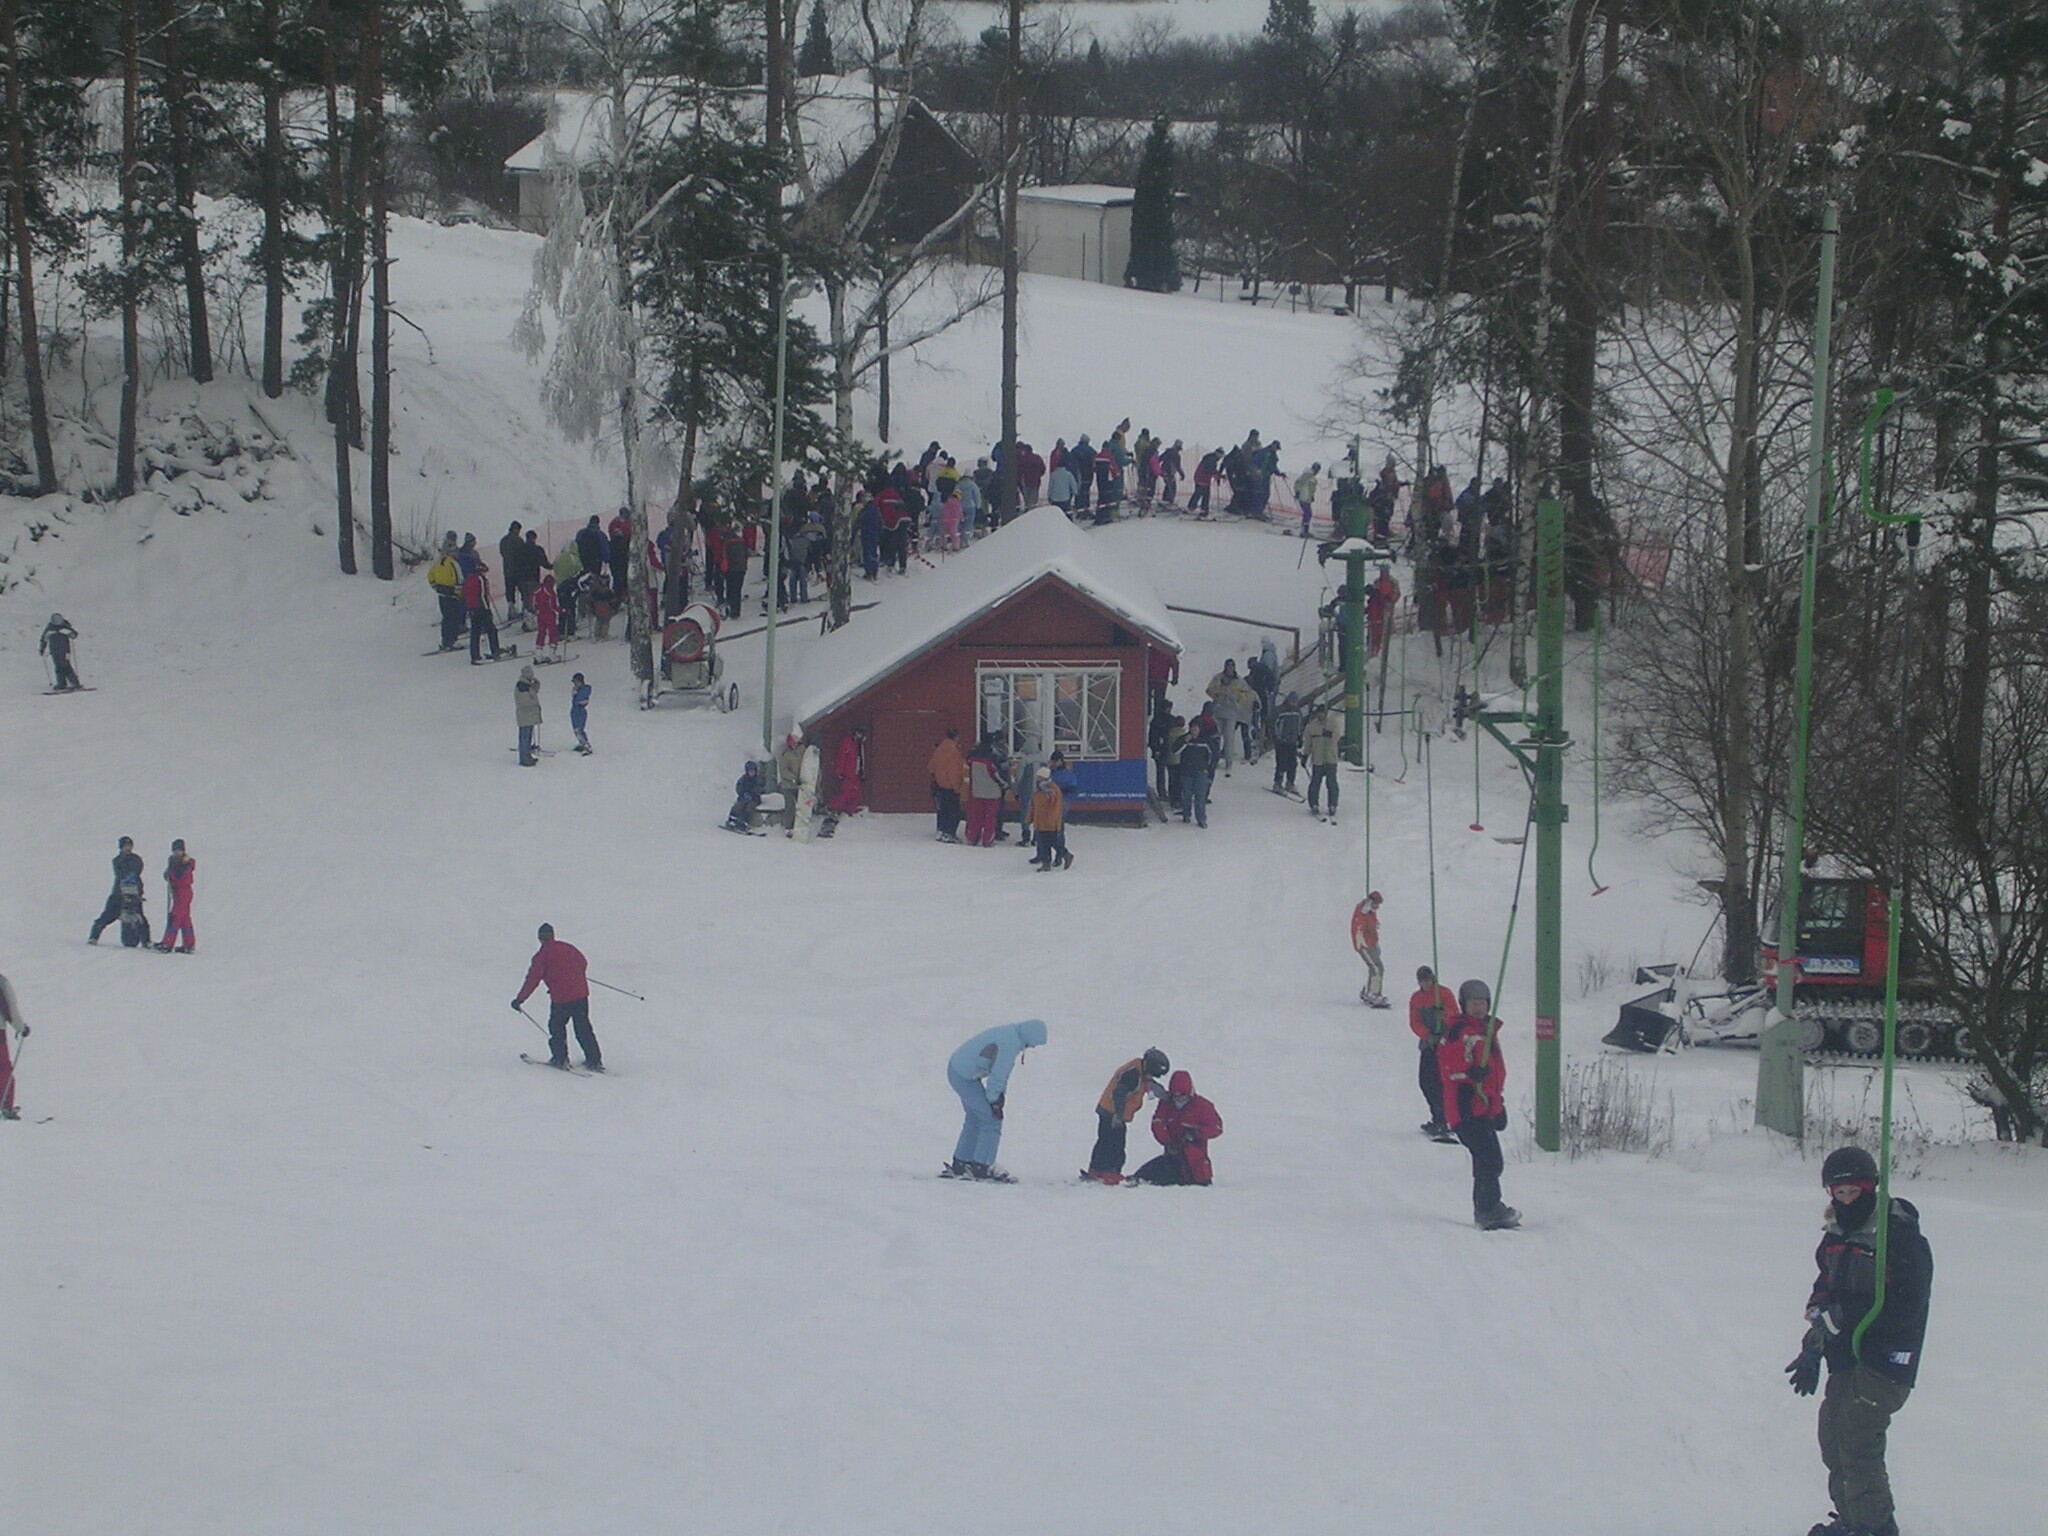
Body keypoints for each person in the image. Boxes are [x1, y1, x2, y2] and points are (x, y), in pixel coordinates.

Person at [1785, 1147, 1933, 1536]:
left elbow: (1908, 1302)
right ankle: (1852, 1519)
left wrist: (1846, 1316)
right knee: (1832, 1433)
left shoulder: (1897, 1235)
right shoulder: (1836, 1235)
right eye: (1840, 1193)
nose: (1848, 1200)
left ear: (1871, 1189)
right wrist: (1815, 1340)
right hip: (1847, 1355)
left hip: (1887, 1357)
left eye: (1856, 1192)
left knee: (1857, 1436)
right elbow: (1827, 1285)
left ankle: (1874, 1526)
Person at [1437, 978, 1519, 1229]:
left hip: (1482, 1106)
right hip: (1465, 1107)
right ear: (1463, 1005)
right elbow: (1450, 1065)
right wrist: (1470, 1072)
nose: (1478, 1008)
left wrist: (1497, 1105)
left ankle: (1488, 1206)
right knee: (1487, 1158)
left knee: (1491, 1159)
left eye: (1482, 1003)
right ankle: (1487, 1209)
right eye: (1473, 1003)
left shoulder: (1485, 1031)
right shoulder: (1459, 1030)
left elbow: (1494, 1075)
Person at [942, 1019, 1047, 1181]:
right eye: (1033, 1044)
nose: (1031, 1047)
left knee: (975, 1118)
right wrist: (995, 1102)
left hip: (958, 1070)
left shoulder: (1009, 1034)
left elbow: (999, 1075)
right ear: (1030, 1036)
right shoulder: (1010, 1043)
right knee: (991, 1120)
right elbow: (998, 1075)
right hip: (963, 1076)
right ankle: (982, 1166)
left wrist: (998, 1097)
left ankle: (961, 1163)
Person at [512, 922, 602, 1071]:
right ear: (553, 935)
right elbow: (583, 962)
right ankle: (594, 1061)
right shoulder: (568, 947)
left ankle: (560, 1059)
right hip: (581, 995)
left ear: (540, 938)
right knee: (583, 1028)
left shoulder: (541, 957)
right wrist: (577, 975)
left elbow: (532, 980)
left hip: (562, 999)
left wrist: (520, 999)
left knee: (556, 1027)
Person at [1082, 1047, 1171, 1183]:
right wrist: (1118, 1117)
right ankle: (1112, 1172)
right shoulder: (1133, 1075)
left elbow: (1151, 1086)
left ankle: (1096, 1169)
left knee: (1104, 1141)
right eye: (1153, 1074)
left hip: (1106, 1109)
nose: (1152, 1077)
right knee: (1116, 1143)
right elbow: (1118, 1094)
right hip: (1113, 1113)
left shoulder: (1139, 1071)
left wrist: (1167, 1096)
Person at [1129, 1070, 1223, 1186]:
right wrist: (1167, 1142)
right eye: (1175, 1096)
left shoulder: (1203, 1106)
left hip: (1195, 1163)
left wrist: (1196, 1133)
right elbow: (1157, 1124)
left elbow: (1217, 1127)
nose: (1179, 1099)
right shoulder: (1166, 1104)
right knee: (1152, 1171)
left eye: (1183, 1096)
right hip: (1172, 1157)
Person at [1408, 966, 1458, 1140]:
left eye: (1428, 980)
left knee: (1439, 1082)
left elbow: (1455, 1015)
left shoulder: (1444, 994)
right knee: (1426, 1082)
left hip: (1445, 1043)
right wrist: (1427, 1035)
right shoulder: (1416, 998)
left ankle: (1444, 1119)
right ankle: (1437, 1117)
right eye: (1422, 981)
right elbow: (1414, 1022)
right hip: (1428, 1044)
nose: (1426, 984)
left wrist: (1443, 1014)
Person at [88, 836, 147, 946]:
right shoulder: (117, 860)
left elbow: (136, 870)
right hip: (118, 894)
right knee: (107, 916)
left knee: (140, 919)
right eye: (125, 846)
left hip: (134, 894)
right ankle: (94, 936)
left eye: (129, 846)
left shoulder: (136, 859)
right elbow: (121, 871)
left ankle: (146, 941)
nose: (128, 848)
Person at [964, 734, 1007, 847]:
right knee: (990, 817)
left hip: (976, 789)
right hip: (992, 791)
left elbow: (968, 763)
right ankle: (987, 840)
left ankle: (972, 838)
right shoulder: (993, 756)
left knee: (976, 816)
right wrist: (1004, 785)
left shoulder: (973, 754)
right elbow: (997, 774)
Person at [156, 839, 196, 954]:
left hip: (183, 891)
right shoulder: (175, 861)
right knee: (184, 918)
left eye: (179, 850)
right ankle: (189, 944)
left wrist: (171, 872)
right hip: (177, 891)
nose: (177, 853)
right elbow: (168, 874)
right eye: (175, 850)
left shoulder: (185, 863)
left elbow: (178, 875)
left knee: (175, 917)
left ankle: (167, 943)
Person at [928, 728, 968, 843]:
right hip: (950, 786)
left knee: (943, 809)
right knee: (954, 811)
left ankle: (941, 830)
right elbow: (953, 772)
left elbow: (930, 767)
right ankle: (949, 833)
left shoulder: (939, 749)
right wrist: (957, 787)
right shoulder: (954, 751)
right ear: (956, 737)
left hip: (939, 785)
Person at [1303, 703, 1341, 820]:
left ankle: (1332, 804)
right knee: (1315, 783)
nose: (1320, 715)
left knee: (1331, 783)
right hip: (1317, 759)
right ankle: (1314, 803)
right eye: (1319, 713)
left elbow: (1337, 736)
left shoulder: (1333, 723)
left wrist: (1329, 734)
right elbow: (1308, 742)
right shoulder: (1311, 726)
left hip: (1330, 759)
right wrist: (1305, 755)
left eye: (1322, 713)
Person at [1027, 766, 1069, 870]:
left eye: (1040, 777)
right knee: (1044, 844)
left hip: (1049, 822)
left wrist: (1051, 821)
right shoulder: (1039, 790)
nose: (1037, 779)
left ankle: (1065, 855)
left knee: (1051, 842)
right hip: (1040, 821)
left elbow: (1055, 807)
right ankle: (1047, 863)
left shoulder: (1052, 790)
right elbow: (1033, 805)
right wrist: (1030, 817)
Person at [1351, 891, 1386, 1007]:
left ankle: (1373, 991)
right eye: (1376, 904)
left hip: (1371, 943)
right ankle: (1373, 993)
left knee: (1378, 967)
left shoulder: (1370, 912)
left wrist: (1375, 925)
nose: (1377, 907)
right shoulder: (1362, 913)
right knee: (1376, 967)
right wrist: (1362, 944)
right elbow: (1358, 930)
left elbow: (1371, 923)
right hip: (1365, 945)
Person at [463, 563, 503, 664]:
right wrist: (487, 609)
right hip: (481, 608)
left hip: (472, 609)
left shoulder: (469, 579)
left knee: (475, 632)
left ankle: (475, 655)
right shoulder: (480, 579)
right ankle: (495, 651)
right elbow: (482, 595)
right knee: (491, 630)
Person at [427, 548, 464, 651]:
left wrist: (435, 587)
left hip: (442, 594)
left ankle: (445, 640)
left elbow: (430, 576)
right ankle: (453, 640)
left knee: (446, 618)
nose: (457, 554)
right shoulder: (453, 563)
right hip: (452, 594)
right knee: (454, 618)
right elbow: (459, 578)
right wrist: (458, 592)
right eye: (455, 552)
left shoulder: (438, 562)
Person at [1177, 725, 1213, 828]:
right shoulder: (1184, 739)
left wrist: (1207, 768)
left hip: (1201, 772)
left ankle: (1201, 819)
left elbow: (1212, 755)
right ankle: (1186, 814)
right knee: (1186, 795)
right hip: (1186, 772)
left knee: (1200, 797)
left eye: (1196, 729)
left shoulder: (1205, 741)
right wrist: (1184, 742)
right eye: (1192, 729)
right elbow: (1175, 751)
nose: (1194, 731)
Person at [1269, 691, 1305, 794]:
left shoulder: (1297, 712)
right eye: (1292, 702)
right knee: (1281, 763)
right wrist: (1276, 736)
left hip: (1292, 741)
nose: (1293, 704)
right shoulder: (1280, 711)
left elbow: (1299, 725)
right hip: (1281, 741)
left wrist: (1299, 737)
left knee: (1293, 763)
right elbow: (1272, 724)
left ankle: (1290, 783)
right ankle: (1277, 783)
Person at [39, 613, 83, 691]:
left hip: (65, 650)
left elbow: (74, 635)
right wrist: (42, 649)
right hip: (54, 651)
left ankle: (75, 683)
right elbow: (44, 639)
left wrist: (67, 632)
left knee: (66, 666)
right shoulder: (50, 629)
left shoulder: (65, 627)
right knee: (58, 666)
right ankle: (61, 684)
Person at [513, 664, 543, 766]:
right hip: (526, 715)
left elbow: (533, 692)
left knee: (527, 736)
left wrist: (536, 684)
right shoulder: (522, 686)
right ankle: (525, 758)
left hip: (527, 715)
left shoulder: (526, 684)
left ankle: (526, 756)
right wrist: (535, 707)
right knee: (525, 737)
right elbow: (527, 700)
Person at [724, 760, 765, 832]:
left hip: (754, 799)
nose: (752, 773)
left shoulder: (758, 779)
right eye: (750, 771)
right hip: (744, 797)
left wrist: (753, 793)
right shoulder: (743, 779)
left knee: (749, 807)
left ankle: (743, 822)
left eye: (753, 771)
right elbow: (739, 787)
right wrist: (743, 793)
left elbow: (760, 788)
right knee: (738, 805)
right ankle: (732, 819)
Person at [531, 571, 562, 658]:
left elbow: (534, 605)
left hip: (540, 615)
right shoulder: (550, 592)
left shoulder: (537, 591)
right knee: (553, 633)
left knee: (541, 633)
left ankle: (538, 653)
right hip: (549, 616)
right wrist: (562, 610)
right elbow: (553, 606)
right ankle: (552, 654)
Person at [569, 673, 593, 755]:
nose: (575, 684)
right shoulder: (577, 690)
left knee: (579, 730)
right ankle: (581, 743)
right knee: (576, 729)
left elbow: (579, 699)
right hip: (575, 712)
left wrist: (576, 693)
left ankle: (587, 746)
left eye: (576, 682)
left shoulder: (584, 690)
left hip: (580, 712)